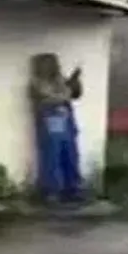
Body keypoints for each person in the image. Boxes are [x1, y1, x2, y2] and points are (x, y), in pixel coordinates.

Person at [29, 53, 82, 203]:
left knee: (71, 156)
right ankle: (50, 191)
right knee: (50, 158)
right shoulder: (36, 82)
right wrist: (67, 90)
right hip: (49, 125)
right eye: (47, 64)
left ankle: (72, 189)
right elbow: (53, 97)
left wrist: (75, 80)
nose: (51, 67)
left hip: (66, 124)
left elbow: (75, 94)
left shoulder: (61, 80)